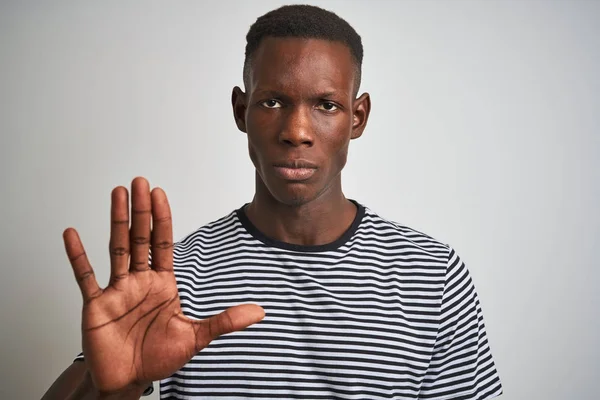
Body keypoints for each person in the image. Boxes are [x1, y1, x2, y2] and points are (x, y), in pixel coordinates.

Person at [42, 4, 503, 400]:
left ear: (357, 117)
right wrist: (110, 388)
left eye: (326, 104)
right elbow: (110, 378)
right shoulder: (177, 278)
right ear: (241, 111)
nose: (296, 132)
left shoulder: (432, 274)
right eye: (272, 103)